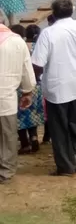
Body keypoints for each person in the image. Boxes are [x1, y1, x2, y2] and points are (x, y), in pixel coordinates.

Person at [30, 0, 76, 175]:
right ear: (72, 11)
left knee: (59, 128)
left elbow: (37, 63)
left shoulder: (48, 34)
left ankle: (66, 166)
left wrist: (33, 82)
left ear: (53, 13)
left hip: (56, 86)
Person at [0, 19, 36, 183]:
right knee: (8, 136)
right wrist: (27, 92)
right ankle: (5, 172)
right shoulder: (17, 41)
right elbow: (26, 70)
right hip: (6, 98)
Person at [16, 25, 46, 154]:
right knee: (33, 114)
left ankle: (24, 143)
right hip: (36, 85)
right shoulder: (38, 48)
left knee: (21, 116)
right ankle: (34, 137)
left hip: (19, 85)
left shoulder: (18, 47)